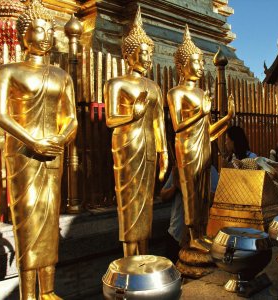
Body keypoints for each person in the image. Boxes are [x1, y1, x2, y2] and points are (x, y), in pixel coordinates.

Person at [0, 1, 78, 299]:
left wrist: (62, 138)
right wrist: (33, 141)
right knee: (29, 222)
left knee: (50, 221)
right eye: (37, 29)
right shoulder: (8, 71)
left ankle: (49, 291)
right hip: (24, 154)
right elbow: (0, 115)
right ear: (23, 34)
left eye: (48, 30)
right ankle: (28, 294)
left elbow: (71, 118)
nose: (44, 36)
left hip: (53, 150)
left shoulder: (61, 75)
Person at [103, 8, 168, 257]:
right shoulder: (116, 84)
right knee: (130, 203)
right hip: (127, 147)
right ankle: (130, 257)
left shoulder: (154, 86)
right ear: (129, 55)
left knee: (146, 203)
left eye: (150, 53)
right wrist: (133, 114)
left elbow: (159, 123)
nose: (148, 57)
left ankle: (145, 252)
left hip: (150, 148)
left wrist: (164, 153)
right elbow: (110, 120)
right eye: (143, 52)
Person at [167, 25, 234, 253]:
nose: (201, 66)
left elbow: (208, 131)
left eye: (201, 62)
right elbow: (178, 125)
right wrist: (202, 112)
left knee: (204, 195)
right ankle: (193, 236)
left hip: (203, 146)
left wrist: (226, 118)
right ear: (183, 66)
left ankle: (202, 232)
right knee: (191, 194)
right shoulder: (176, 93)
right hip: (186, 148)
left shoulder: (201, 94)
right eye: (196, 61)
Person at [160, 166, 219, 263]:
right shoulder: (178, 169)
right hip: (175, 231)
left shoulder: (209, 170)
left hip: (197, 235)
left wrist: (190, 189)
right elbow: (163, 196)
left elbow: (213, 199)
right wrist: (175, 187)